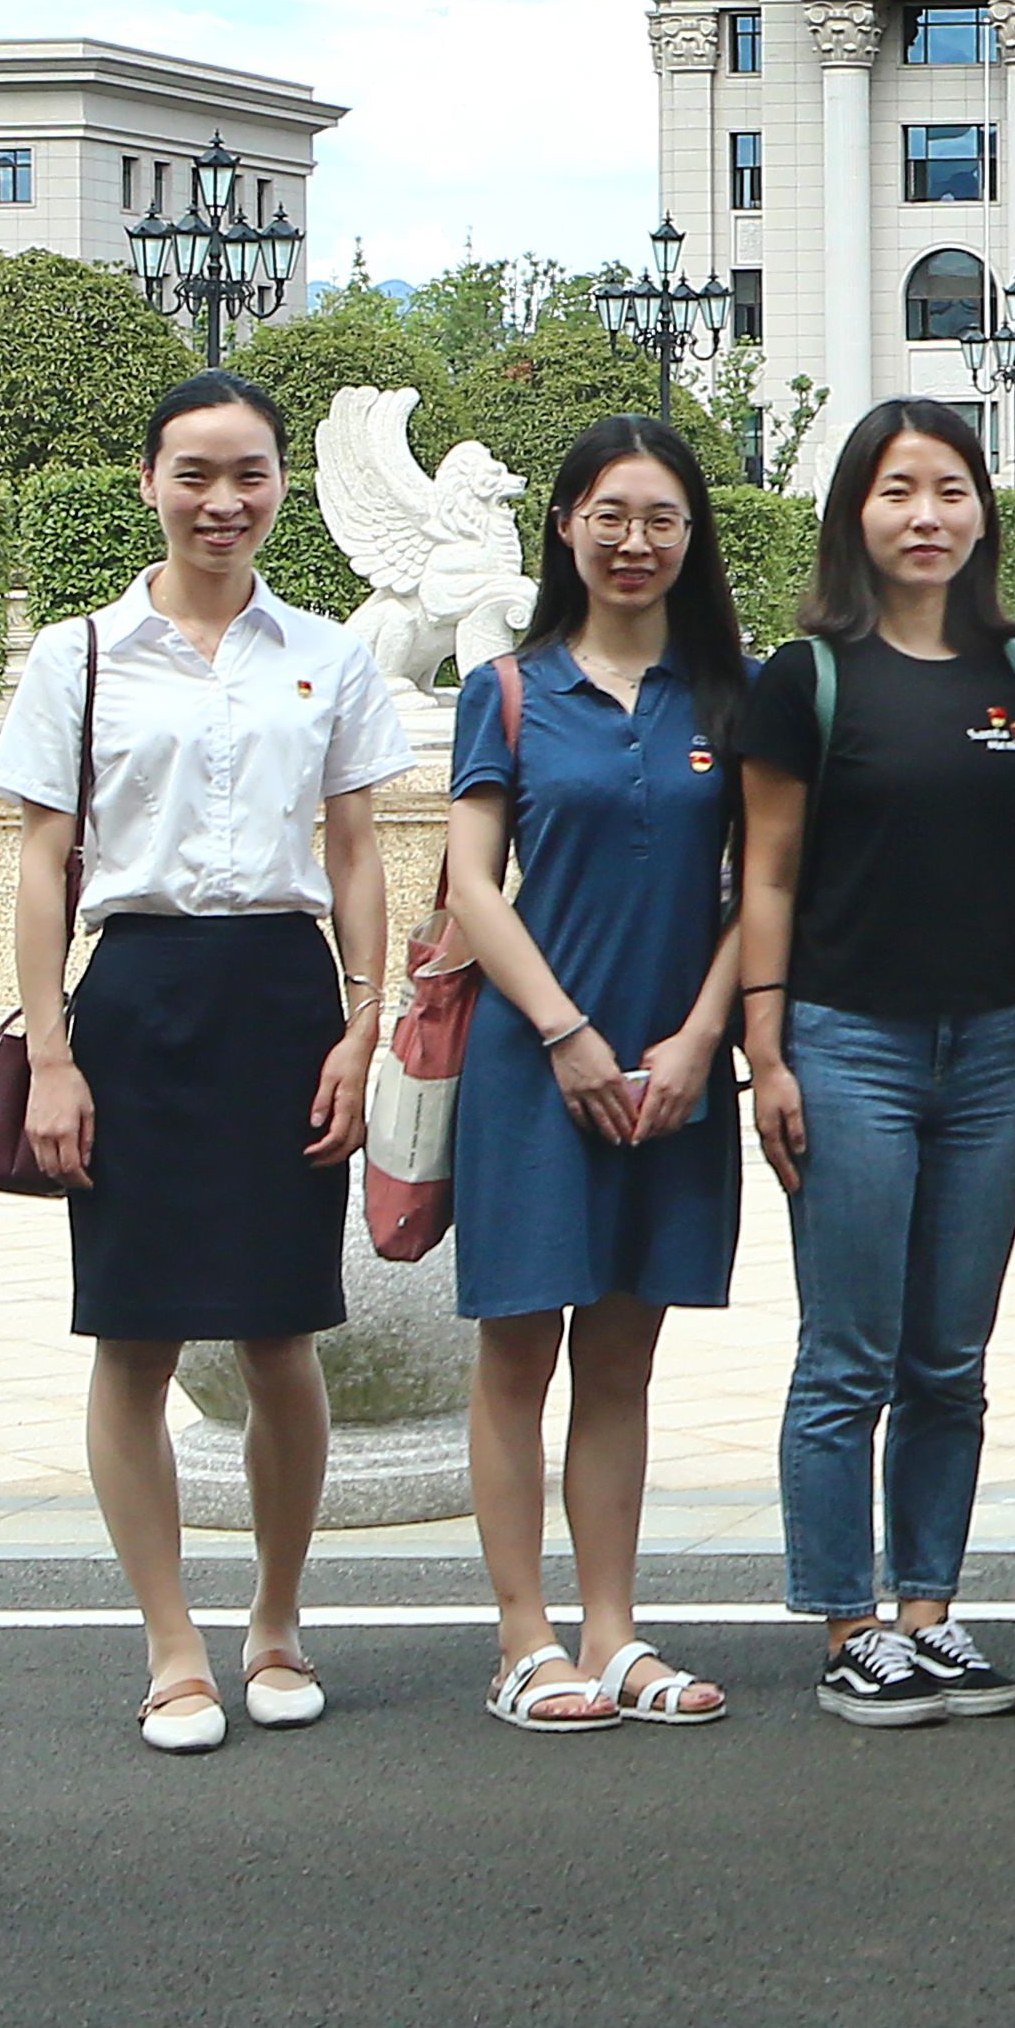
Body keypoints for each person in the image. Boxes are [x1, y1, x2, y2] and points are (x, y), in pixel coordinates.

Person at [0, 370, 411, 1755]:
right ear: (148, 481)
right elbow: (45, 860)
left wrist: (364, 1023)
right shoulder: (83, 654)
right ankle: (172, 1644)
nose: (222, 501)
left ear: (284, 484)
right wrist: (51, 1051)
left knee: (286, 1330)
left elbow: (353, 848)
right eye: (194, 473)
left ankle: (278, 1621)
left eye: (249, 475)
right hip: (140, 996)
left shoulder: (330, 653)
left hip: (284, 994)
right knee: (132, 1329)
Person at [735, 397, 1015, 1730]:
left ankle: (928, 1607)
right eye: (894, 491)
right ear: (852, 514)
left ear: (982, 509)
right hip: (846, 1037)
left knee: (950, 1356)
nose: (924, 516)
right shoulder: (803, 676)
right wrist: (767, 1043)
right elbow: (762, 870)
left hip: (988, 1045)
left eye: (948, 490)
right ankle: (846, 1623)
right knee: (847, 1354)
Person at [438, 415, 751, 1735]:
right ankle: (524, 1636)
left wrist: (695, 1040)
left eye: (662, 517)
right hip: (535, 1066)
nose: (635, 540)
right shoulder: (508, 687)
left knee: (622, 1358)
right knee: (519, 1354)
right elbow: (468, 881)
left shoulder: (730, 695)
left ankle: (613, 1630)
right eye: (609, 513)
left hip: (675, 1070)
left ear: (692, 536)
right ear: (563, 523)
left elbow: (762, 890)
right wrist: (566, 1033)